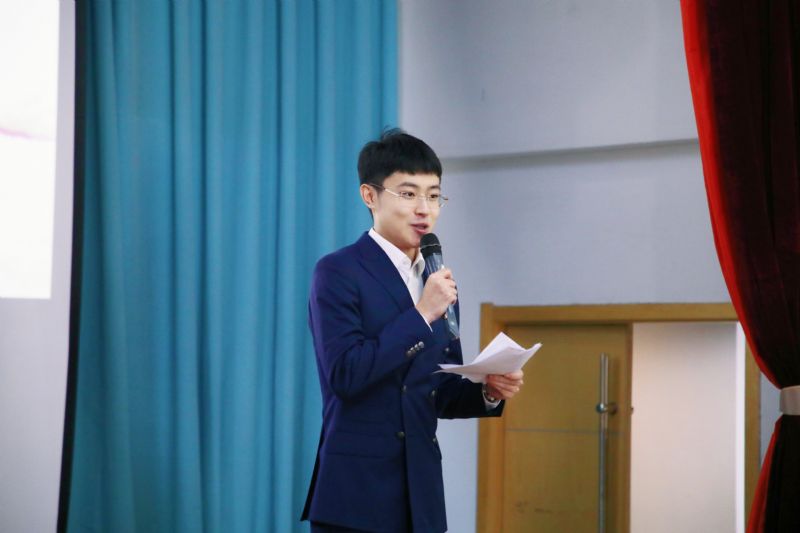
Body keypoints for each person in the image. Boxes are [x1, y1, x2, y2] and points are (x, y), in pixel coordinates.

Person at [301, 129, 524, 532]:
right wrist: (421, 315)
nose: (424, 209)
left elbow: (438, 392)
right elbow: (346, 375)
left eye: (434, 195)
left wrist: (488, 390)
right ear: (369, 196)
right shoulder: (337, 271)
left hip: (421, 498)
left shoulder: (438, 283)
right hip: (355, 496)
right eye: (408, 194)